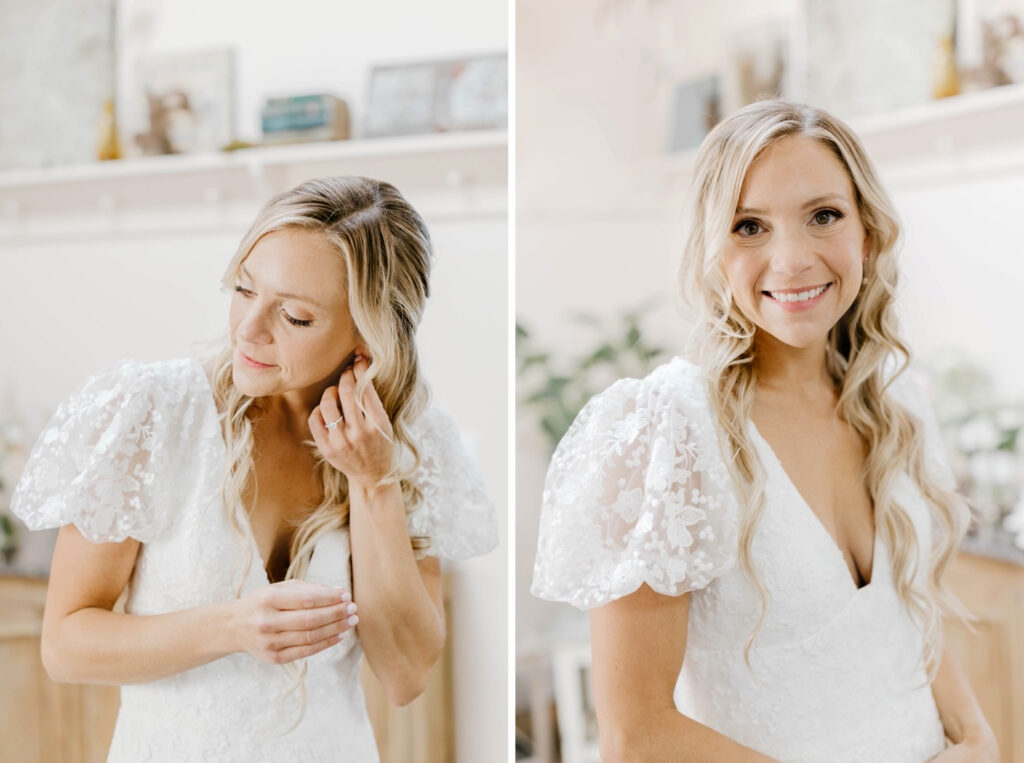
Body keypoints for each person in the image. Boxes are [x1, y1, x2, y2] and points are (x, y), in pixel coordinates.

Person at [532, 100, 998, 762]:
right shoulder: (668, 430)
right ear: (715, 251)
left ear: (866, 232)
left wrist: (979, 735)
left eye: (823, 216)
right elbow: (636, 736)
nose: (792, 260)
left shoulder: (897, 405)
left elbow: (903, 617)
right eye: (750, 226)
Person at [11, 176, 498, 762]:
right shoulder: (152, 413)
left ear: (367, 338)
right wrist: (231, 628)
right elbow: (65, 646)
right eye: (244, 289)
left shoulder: (410, 444)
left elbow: (405, 675)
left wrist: (374, 484)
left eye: (293, 317)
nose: (248, 328)